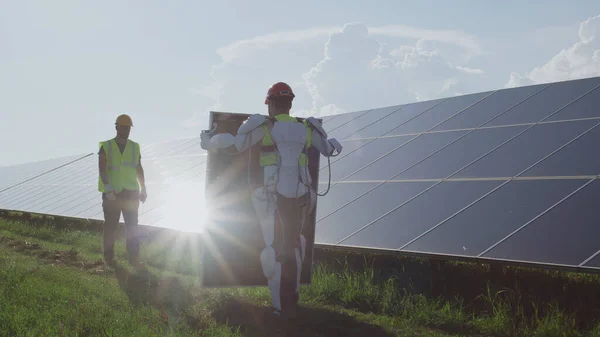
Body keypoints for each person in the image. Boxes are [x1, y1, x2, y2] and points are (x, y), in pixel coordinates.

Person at [200, 82, 343, 318]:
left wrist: (208, 142)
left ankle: (279, 307)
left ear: (272, 104)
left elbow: (235, 143)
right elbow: (329, 149)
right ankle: (292, 298)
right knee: (295, 244)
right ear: (290, 104)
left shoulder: (263, 127)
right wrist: (336, 142)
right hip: (301, 195)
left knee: (272, 248)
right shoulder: (306, 128)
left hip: (270, 195)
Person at [97, 113, 147, 267]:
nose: (126, 130)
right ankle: (109, 259)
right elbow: (102, 169)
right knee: (111, 227)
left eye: (128, 128)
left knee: (132, 227)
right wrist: (108, 188)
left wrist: (143, 188)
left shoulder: (134, 146)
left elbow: (138, 168)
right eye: (123, 127)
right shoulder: (106, 146)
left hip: (131, 192)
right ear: (116, 127)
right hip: (113, 193)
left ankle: (133, 259)